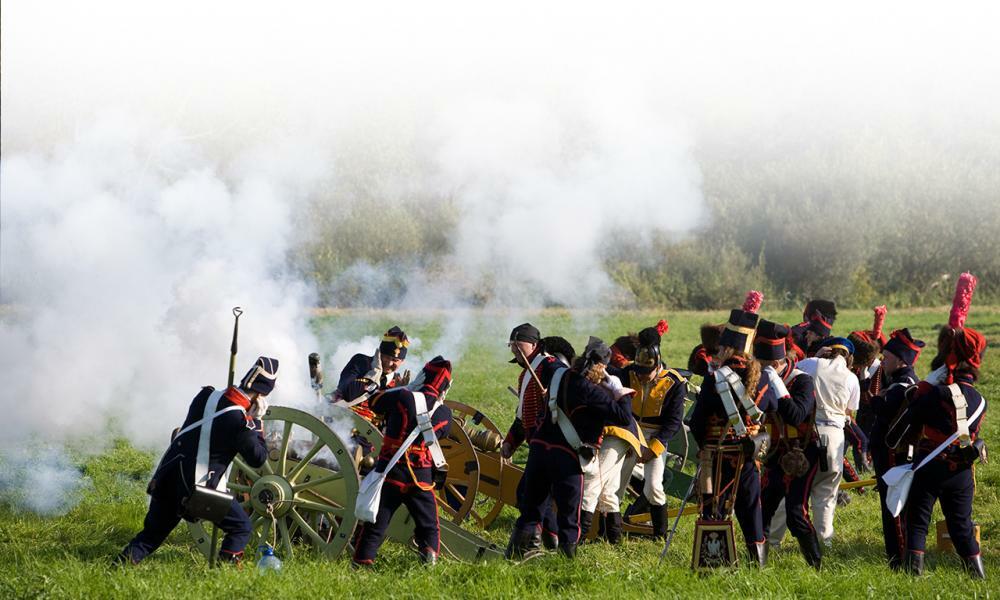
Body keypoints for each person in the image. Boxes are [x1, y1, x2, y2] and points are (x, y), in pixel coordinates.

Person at [117, 357, 277, 565]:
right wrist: (256, 421)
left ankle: (116, 569)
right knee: (241, 528)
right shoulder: (241, 422)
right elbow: (258, 458)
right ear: (261, 395)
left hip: (167, 476)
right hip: (195, 487)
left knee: (149, 538)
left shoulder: (205, 395)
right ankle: (223, 577)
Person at [888, 273, 988, 578]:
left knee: (918, 522)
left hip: (929, 463)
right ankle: (978, 577)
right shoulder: (981, 399)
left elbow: (913, 419)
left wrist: (921, 392)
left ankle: (913, 579)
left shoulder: (934, 393)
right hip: (960, 470)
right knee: (961, 527)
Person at [506, 331, 634, 559]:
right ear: (602, 368)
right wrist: (619, 391)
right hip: (566, 456)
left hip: (539, 449)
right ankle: (566, 562)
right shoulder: (593, 392)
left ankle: (516, 555)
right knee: (568, 515)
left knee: (531, 508)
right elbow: (624, 418)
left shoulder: (558, 376)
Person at [689, 292, 775, 566]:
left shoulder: (715, 380)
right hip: (748, 455)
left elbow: (697, 421)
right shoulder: (762, 379)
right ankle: (757, 560)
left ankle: (714, 562)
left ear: (726, 348)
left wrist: (703, 445)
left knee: (713, 507)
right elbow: (771, 411)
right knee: (751, 509)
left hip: (716, 455)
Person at [352, 356, 454, 567]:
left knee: (376, 523)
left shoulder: (403, 396)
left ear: (424, 376)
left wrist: (396, 389)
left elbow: (374, 403)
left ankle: (362, 562)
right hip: (421, 477)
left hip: (391, 470)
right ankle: (429, 558)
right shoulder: (444, 412)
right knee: (429, 525)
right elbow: (441, 434)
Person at [754, 321, 822, 569]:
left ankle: (816, 566)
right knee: (760, 511)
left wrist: (776, 384)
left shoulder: (802, 381)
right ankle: (757, 567)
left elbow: (795, 414)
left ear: (774, 364)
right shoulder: (759, 379)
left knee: (796, 514)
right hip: (773, 453)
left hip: (802, 453)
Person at [612, 320, 686, 539]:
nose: (642, 376)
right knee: (615, 485)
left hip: (656, 438)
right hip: (629, 432)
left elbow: (673, 422)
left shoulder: (675, 382)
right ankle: (611, 533)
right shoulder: (627, 374)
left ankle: (660, 535)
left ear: (658, 363)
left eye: (647, 372)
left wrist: (652, 449)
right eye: (640, 371)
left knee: (654, 487)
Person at [576, 336, 642, 544]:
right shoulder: (584, 376)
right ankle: (612, 539)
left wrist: (617, 390)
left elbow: (624, 415)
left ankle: (577, 538)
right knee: (607, 491)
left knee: (591, 483)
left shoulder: (610, 380)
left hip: (617, 433)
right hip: (614, 433)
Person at [795, 337, 860, 547]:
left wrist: (813, 356)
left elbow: (789, 371)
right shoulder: (851, 378)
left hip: (808, 433)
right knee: (827, 493)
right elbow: (850, 410)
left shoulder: (812, 363)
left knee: (793, 490)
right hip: (835, 435)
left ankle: (773, 541)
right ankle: (825, 542)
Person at [869, 327, 925, 570]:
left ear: (901, 360)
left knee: (894, 510)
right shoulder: (898, 382)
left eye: (887, 357)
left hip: (895, 456)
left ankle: (898, 561)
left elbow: (882, 408)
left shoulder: (903, 384)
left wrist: (876, 398)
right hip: (890, 457)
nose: (883, 360)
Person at [334, 326, 411, 422]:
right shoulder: (360, 361)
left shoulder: (398, 382)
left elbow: (391, 419)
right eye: (386, 357)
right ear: (379, 354)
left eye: (395, 360)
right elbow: (348, 394)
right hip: (342, 422)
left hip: (371, 434)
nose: (389, 363)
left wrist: (399, 395)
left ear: (402, 361)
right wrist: (373, 375)